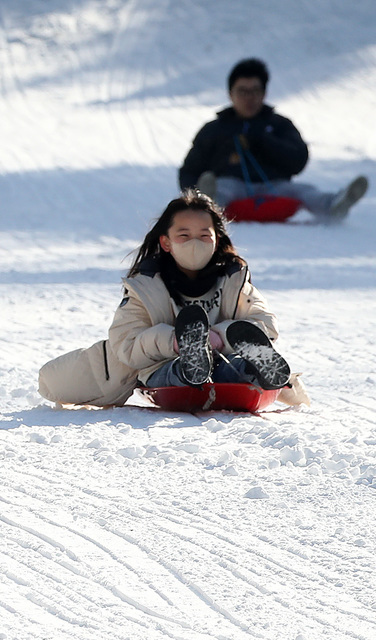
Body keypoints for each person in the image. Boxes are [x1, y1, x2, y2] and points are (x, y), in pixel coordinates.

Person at [38, 191, 307, 407]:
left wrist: (219, 337)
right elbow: (126, 343)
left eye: (204, 235)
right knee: (177, 373)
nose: (195, 243)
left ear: (216, 240)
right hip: (164, 363)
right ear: (166, 242)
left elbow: (264, 324)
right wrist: (175, 342)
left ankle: (253, 370)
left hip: (224, 356)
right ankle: (190, 367)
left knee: (235, 368)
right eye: (184, 235)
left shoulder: (233, 279)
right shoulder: (146, 287)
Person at [178, 58, 367, 221]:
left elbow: (298, 160)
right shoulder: (215, 129)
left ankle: (335, 205)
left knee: (304, 191)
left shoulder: (278, 125)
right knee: (221, 189)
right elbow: (190, 169)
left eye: (255, 91)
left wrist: (264, 140)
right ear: (230, 94)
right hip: (233, 184)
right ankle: (206, 206)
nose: (249, 98)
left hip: (273, 185)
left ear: (264, 93)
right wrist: (192, 193)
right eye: (243, 91)